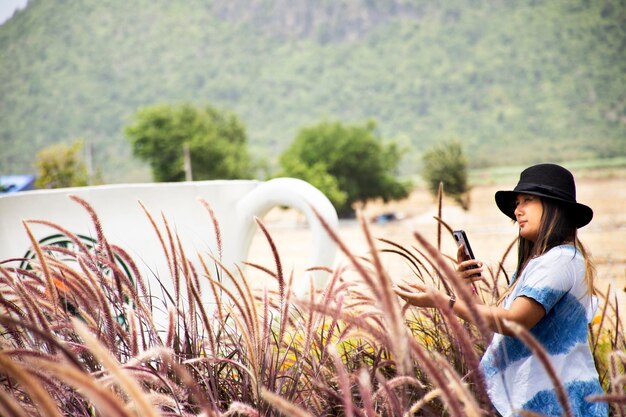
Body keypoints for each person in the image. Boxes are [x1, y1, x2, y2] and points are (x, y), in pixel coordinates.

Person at [395, 163, 608, 417]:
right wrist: (465, 290)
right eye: (517, 203)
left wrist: (443, 301)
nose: (518, 210)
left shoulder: (560, 260)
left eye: (527, 201)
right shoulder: (543, 262)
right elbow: (499, 327)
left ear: (555, 208)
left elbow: (514, 322)